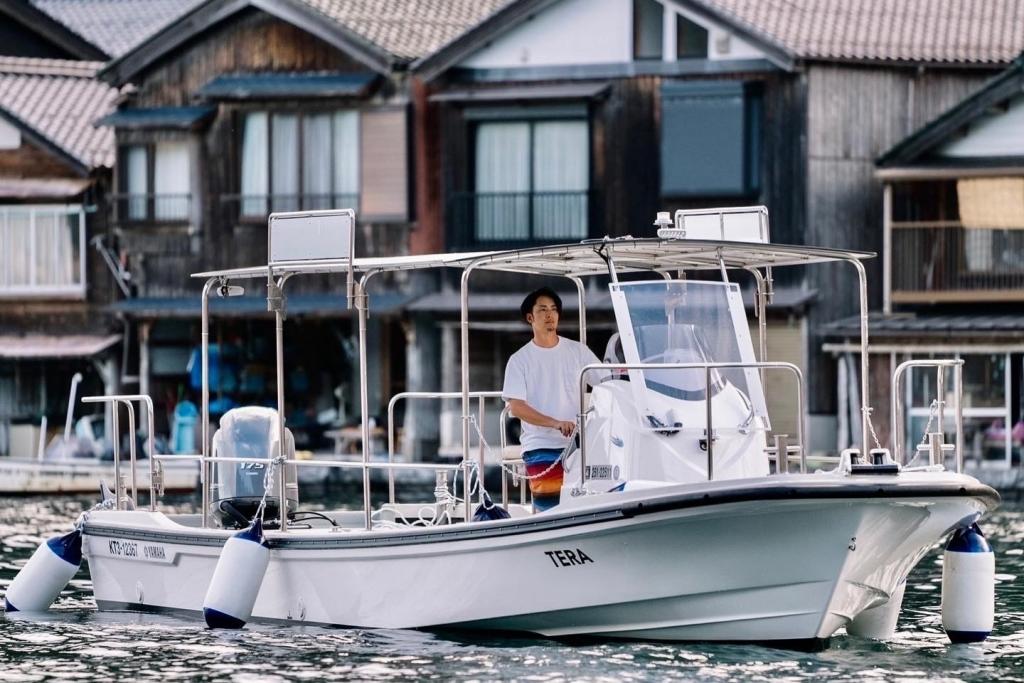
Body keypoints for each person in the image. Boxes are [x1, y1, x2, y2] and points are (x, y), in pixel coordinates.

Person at [502, 287, 601, 512]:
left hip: (579, 446)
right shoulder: (519, 360)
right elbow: (517, 408)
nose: (550, 315)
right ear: (530, 317)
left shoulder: (578, 351)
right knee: (551, 510)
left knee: (583, 506)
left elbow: (606, 381)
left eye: (554, 310)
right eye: (543, 310)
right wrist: (555, 423)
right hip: (540, 445)